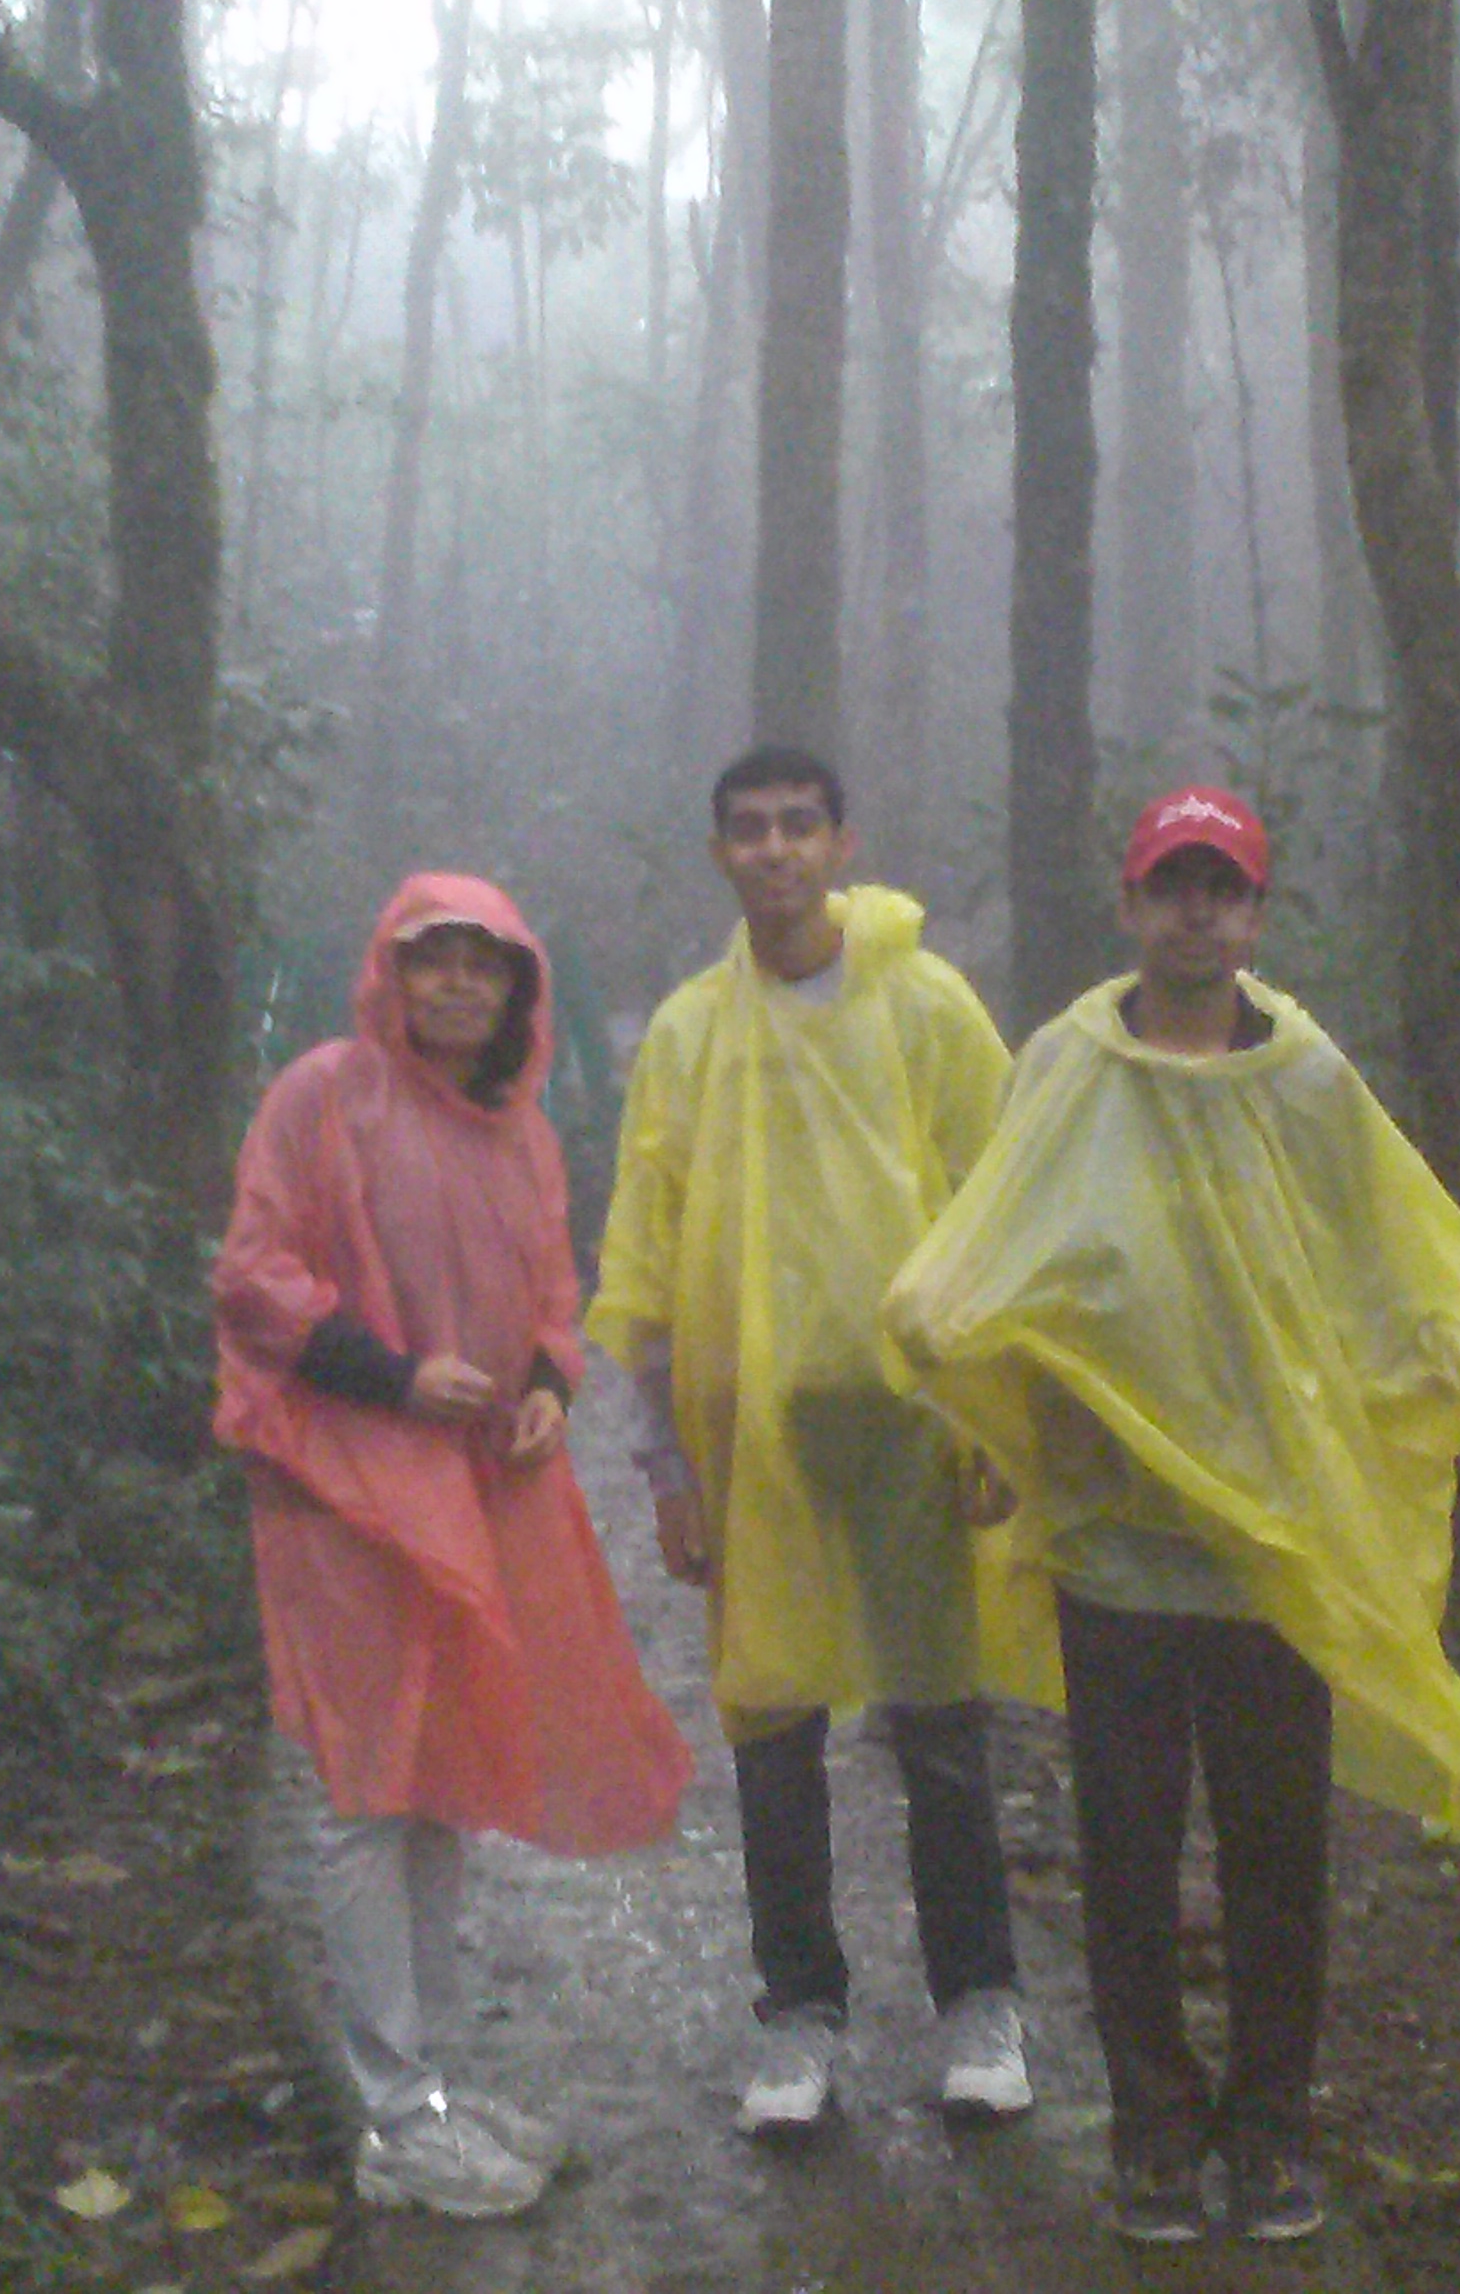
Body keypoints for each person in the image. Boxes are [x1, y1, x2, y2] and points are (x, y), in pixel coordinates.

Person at [885, 787, 1460, 2245]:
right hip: (1116, 1548)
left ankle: (1269, 2134)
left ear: (1255, 916)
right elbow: (989, 1249)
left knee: (1275, 1861)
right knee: (1126, 1856)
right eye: (1171, 886)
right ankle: (1152, 2132)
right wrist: (988, 1412)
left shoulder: (1305, 1081)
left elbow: (1393, 1245)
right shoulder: (1068, 1065)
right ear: (1131, 907)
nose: (1196, 911)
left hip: (1269, 1549)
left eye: (1223, 889)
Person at [587, 745, 1057, 2138]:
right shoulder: (688, 1032)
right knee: (774, 1718)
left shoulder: (924, 1002)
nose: (778, 850)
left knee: (939, 1718)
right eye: (751, 830)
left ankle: (981, 2004)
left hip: (913, 1423)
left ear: (845, 841)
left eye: (801, 826)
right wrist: (665, 1465)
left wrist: (998, 1418)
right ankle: (799, 2016)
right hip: (753, 1433)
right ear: (722, 854)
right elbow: (652, 1253)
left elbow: (1002, 1205)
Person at [215, 873, 692, 2219]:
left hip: (471, 1488)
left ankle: (429, 2079)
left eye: (487, 967)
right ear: (392, 974)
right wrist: (392, 1378)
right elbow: (256, 1276)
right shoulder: (323, 1096)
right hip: (343, 1482)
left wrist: (548, 1381)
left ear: (518, 992)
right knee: (372, 1794)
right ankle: (395, 2113)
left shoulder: (522, 1133)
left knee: (436, 1782)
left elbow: (552, 1285)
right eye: (435, 962)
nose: (459, 987)